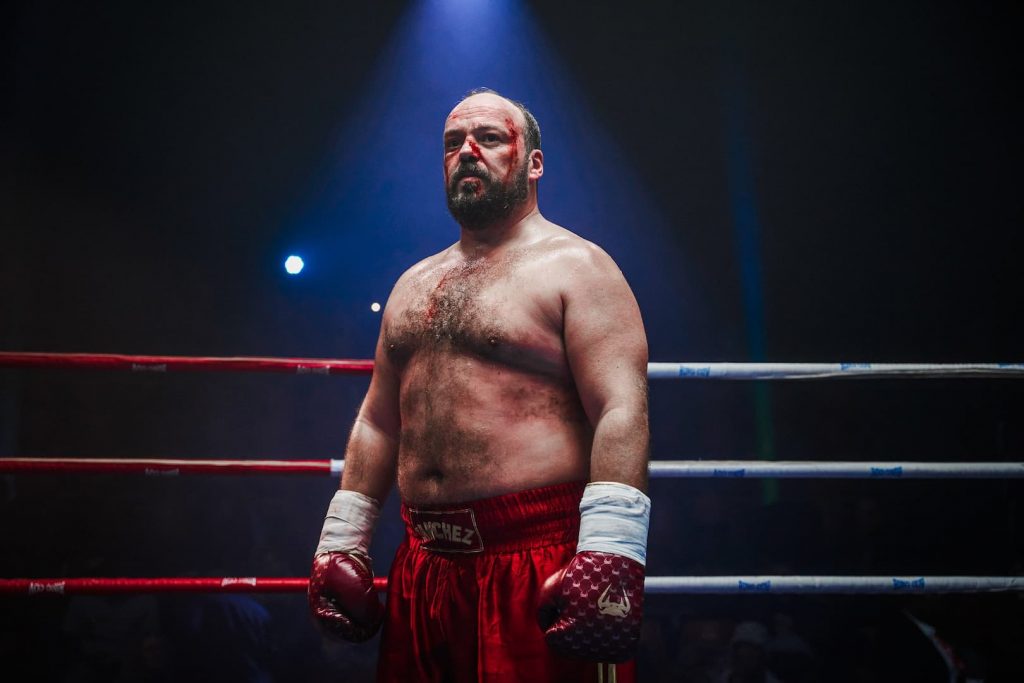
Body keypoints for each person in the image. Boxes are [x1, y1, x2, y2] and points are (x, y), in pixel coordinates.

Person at [307, 88, 651, 682]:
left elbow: (621, 408)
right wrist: (342, 540)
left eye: (489, 138)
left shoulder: (579, 268)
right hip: (425, 561)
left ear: (534, 162)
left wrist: (612, 548)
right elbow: (377, 420)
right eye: (451, 144)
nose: (467, 151)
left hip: (536, 554)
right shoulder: (412, 284)